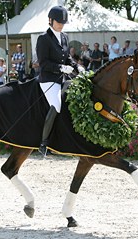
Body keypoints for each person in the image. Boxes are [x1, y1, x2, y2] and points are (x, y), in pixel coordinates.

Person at [36, 5, 80, 156]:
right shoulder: (43, 38)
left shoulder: (64, 37)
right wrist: (60, 68)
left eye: (63, 23)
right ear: (50, 20)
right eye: (58, 22)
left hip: (62, 78)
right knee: (56, 105)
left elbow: (67, 57)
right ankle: (44, 143)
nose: (61, 25)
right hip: (48, 79)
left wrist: (76, 66)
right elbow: (43, 63)